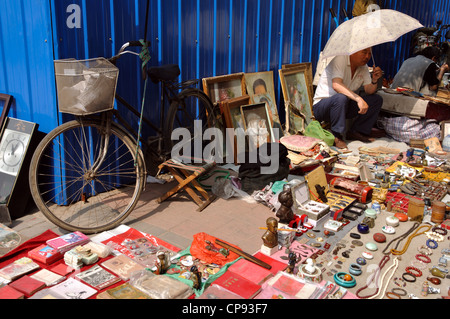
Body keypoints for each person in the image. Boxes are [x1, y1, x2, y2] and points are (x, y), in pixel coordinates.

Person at [313, 48, 383, 149]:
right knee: (341, 97)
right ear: (353, 51)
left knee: (376, 99)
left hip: (343, 106)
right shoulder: (340, 59)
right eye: (364, 52)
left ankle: (357, 131)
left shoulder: (363, 67)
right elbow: (336, 85)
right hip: (322, 107)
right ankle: (337, 136)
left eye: (369, 53)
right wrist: (358, 99)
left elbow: (369, 90)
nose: (367, 56)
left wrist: (375, 80)